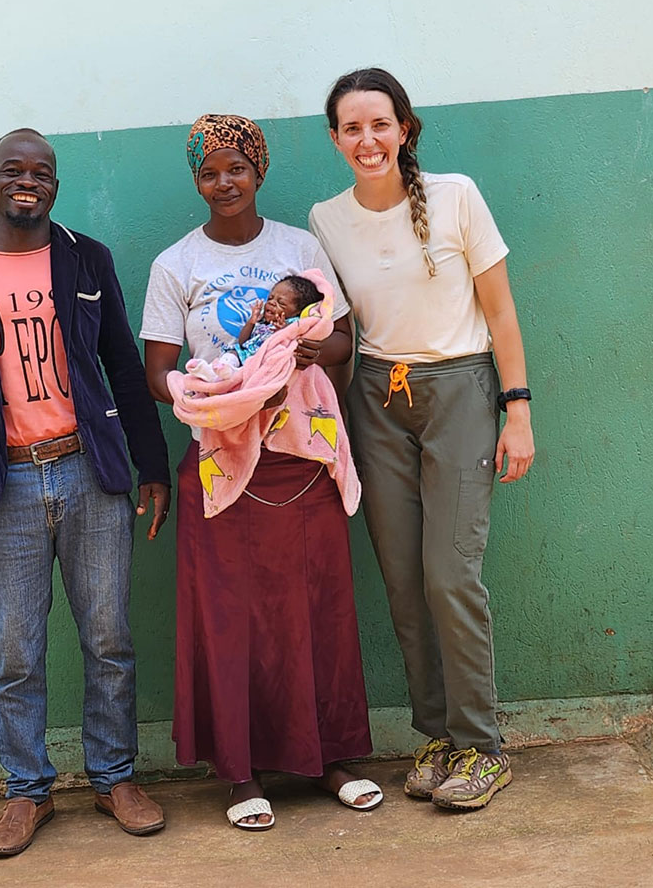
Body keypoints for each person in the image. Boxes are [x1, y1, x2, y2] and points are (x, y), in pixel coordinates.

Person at [0, 128, 171, 855]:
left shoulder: (86, 258)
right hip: (9, 482)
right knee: (16, 649)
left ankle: (114, 777)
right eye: (13, 170)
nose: (28, 181)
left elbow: (124, 363)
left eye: (42, 172)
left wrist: (149, 466)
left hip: (91, 473)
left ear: (55, 185)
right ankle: (28, 791)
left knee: (109, 636)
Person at [141, 113, 380, 830]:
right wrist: (200, 390)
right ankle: (242, 774)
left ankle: (332, 758)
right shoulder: (174, 265)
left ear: (259, 171)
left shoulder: (300, 248)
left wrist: (306, 353)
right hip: (221, 463)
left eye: (236, 168)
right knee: (229, 619)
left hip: (300, 459)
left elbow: (341, 340)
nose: (224, 183)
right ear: (197, 180)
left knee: (320, 609)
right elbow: (157, 369)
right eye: (209, 172)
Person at [309, 68, 535, 810]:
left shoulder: (457, 195)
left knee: (449, 574)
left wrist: (519, 411)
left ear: (405, 127)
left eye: (380, 123)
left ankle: (483, 746)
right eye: (351, 128)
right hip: (377, 397)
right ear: (336, 139)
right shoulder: (326, 219)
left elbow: (499, 314)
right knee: (404, 583)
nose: (367, 139)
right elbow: (336, 327)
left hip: (461, 389)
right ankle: (436, 734)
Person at [186, 274, 322, 381]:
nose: (272, 304)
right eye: (270, 298)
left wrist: (283, 331)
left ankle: (230, 375)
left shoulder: (294, 324)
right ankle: (216, 371)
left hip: (262, 364)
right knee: (232, 352)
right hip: (245, 355)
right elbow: (242, 342)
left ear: (297, 312)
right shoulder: (263, 322)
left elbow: (288, 345)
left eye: (281, 303)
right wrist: (251, 322)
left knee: (246, 369)